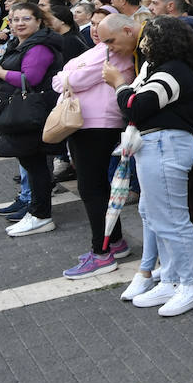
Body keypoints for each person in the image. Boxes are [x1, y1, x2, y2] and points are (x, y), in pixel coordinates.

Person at [114, 17, 193, 317]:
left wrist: (119, 85)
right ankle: (171, 277)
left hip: (166, 146)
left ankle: (190, 285)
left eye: (148, 39)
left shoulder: (173, 70)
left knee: (171, 219)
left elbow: (135, 106)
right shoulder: (166, 69)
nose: (143, 44)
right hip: (158, 145)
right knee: (156, 215)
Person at [52, 14, 138, 276]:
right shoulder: (103, 49)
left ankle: (101, 253)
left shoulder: (115, 52)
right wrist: (69, 75)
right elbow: (61, 77)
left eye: (103, 27)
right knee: (97, 186)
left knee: (91, 188)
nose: (98, 33)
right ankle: (114, 241)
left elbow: (73, 79)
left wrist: (69, 75)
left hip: (97, 124)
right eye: (94, 24)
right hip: (86, 123)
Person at [0, 2, 65, 237]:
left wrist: (0, 72)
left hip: (33, 113)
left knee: (35, 165)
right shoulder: (21, 43)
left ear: (38, 21)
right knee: (31, 164)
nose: (19, 23)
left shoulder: (39, 46)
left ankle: (40, 215)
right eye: (15, 19)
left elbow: (31, 78)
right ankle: (35, 211)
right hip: (23, 112)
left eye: (26, 19)